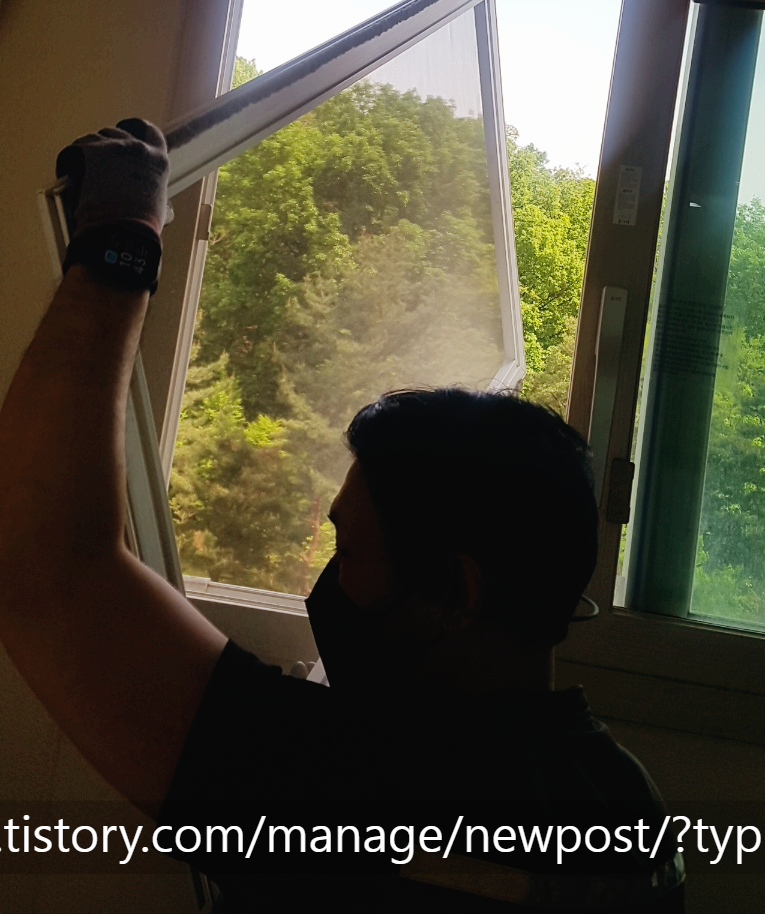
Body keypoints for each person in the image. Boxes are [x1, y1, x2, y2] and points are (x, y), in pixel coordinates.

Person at [0, 120, 684, 911]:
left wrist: (121, 238)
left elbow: (40, 560)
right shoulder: (625, 799)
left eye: (351, 552)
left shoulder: (361, 787)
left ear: (457, 593)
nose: (330, 584)